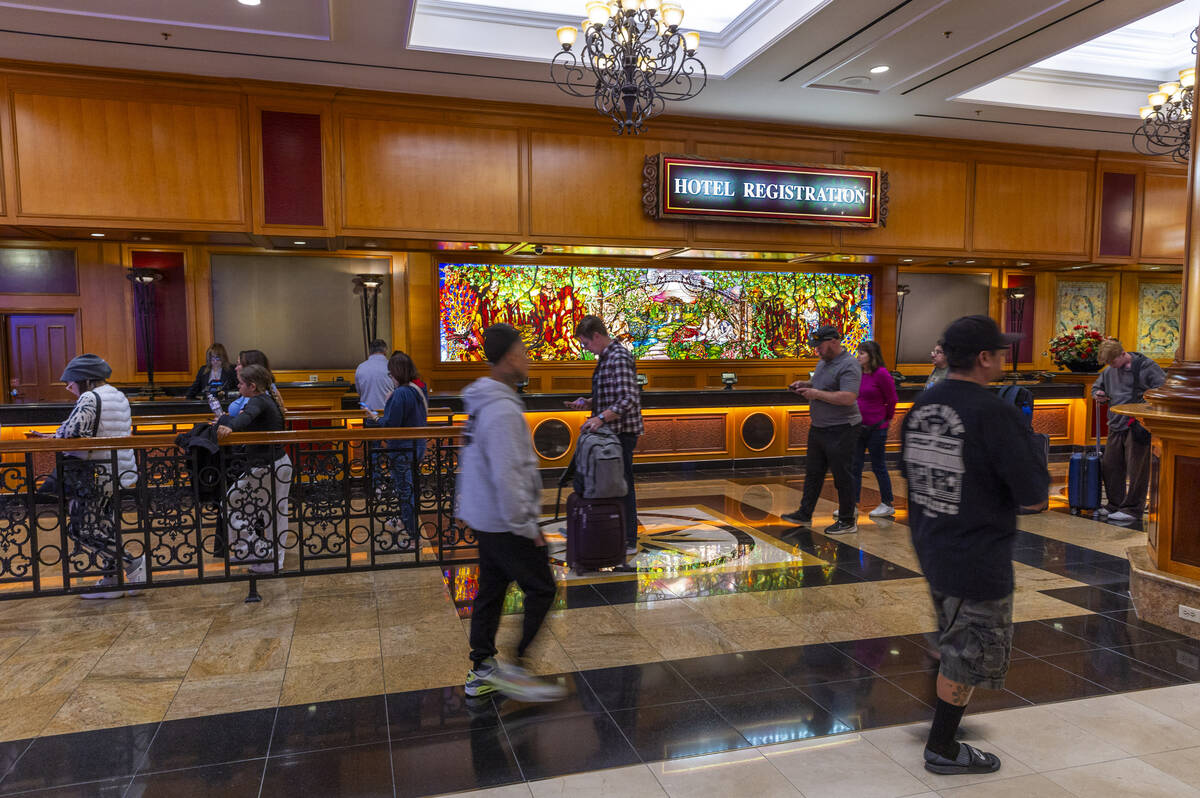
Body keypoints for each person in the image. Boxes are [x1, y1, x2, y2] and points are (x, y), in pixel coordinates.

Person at [900, 315, 1048, 776]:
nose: (1005, 357)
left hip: (932, 543)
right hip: (978, 554)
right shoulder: (995, 413)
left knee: (952, 637)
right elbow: (1033, 496)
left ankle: (944, 720)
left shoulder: (923, 405)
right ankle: (943, 748)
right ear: (984, 358)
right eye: (1000, 351)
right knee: (970, 651)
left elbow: (911, 474)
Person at [458, 323, 565, 703]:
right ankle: (518, 667)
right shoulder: (501, 410)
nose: (528, 358)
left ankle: (482, 668)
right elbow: (507, 474)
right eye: (523, 351)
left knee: (491, 589)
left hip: (486, 516)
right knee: (541, 587)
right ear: (507, 359)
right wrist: (525, 524)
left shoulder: (484, 402)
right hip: (504, 519)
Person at [29, 355, 144, 599]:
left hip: (93, 472)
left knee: (82, 528)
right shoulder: (118, 395)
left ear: (86, 380)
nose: (69, 387)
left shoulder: (90, 397)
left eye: (71, 382)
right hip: (115, 470)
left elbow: (74, 431)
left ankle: (133, 564)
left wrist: (54, 436)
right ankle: (112, 580)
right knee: (103, 525)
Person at [567, 316, 644, 556]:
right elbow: (613, 394)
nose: (586, 349)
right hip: (612, 433)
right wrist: (588, 402)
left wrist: (600, 418)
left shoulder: (618, 358)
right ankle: (616, 532)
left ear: (597, 336)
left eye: (586, 344)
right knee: (615, 484)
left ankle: (629, 539)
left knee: (622, 486)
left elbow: (629, 399)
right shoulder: (607, 357)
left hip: (621, 434)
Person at [781, 326, 863, 535]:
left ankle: (847, 520)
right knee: (813, 473)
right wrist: (806, 384)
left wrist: (815, 393)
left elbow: (847, 397)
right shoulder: (823, 362)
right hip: (819, 428)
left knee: (842, 476)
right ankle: (805, 513)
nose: (816, 349)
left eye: (820, 345)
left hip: (842, 429)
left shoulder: (849, 365)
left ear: (834, 341)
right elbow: (824, 385)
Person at [216, 364, 292, 573]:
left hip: (267, 466)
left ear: (252, 386)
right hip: (277, 463)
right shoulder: (267, 399)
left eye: (240, 383)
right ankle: (270, 557)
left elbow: (247, 416)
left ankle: (259, 550)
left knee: (230, 504)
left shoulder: (258, 400)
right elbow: (248, 417)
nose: (238, 386)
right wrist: (227, 421)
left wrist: (229, 425)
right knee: (275, 512)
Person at [1092, 339, 1166, 522]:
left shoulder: (1146, 367)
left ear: (1122, 354)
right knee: (1111, 465)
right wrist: (1099, 394)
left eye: (1112, 362)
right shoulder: (1110, 370)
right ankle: (1114, 504)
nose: (1110, 367)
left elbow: (1163, 390)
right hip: (1115, 423)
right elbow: (1097, 386)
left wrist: (1144, 406)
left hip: (1137, 425)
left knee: (1137, 470)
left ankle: (1133, 509)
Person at [377, 350, 428, 539]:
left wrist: (376, 420)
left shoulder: (400, 394)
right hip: (418, 447)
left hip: (402, 449)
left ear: (397, 372)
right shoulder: (418, 389)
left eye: (391, 374)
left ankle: (412, 534)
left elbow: (391, 425)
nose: (390, 377)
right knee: (411, 489)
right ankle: (409, 526)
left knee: (405, 492)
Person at [852, 340, 898, 518]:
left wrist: (886, 418)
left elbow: (892, 399)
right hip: (858, 426)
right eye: (858, 352)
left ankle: (887, 503)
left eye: (862, 353)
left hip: (877, 428)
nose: (859, 356)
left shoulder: (882, 374)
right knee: (855, 466)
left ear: (871, 355)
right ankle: (852, 504)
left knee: (878, 466)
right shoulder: (859, 374)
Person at [228, 350, 286, 417]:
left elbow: (246, 420)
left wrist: (225, 419)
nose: (235, 368)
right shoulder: (249, 388)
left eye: (239, 364)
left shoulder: (262, 391)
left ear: (250, 367)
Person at [356, 339, 396, 413]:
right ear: (385, 351)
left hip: (367, 414)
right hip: (387, 413)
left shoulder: (361, 367)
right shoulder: (392, 366)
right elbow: (397, 390)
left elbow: (359, 392)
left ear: (370, 352)